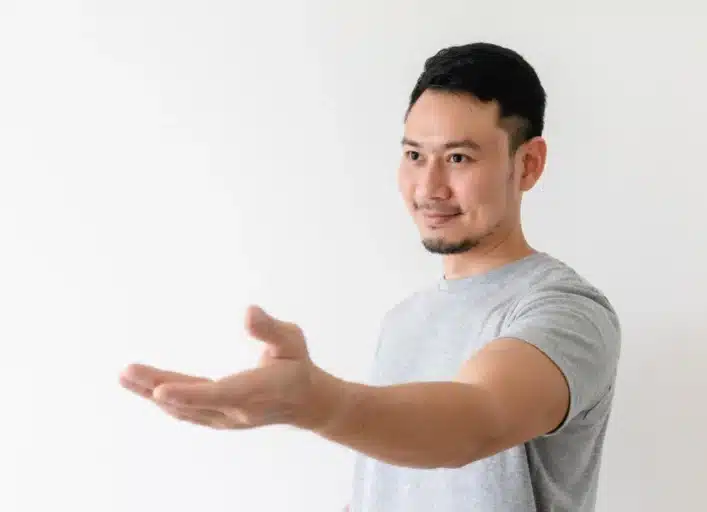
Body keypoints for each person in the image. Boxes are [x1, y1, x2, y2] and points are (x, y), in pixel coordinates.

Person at [120, 42, 621, 512]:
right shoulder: (403, 320)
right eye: (414, 155)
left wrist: (317, 403)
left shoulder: (566, 311)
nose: (429, 186)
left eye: (458, 158)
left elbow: (477, 420)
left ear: (528, 164)